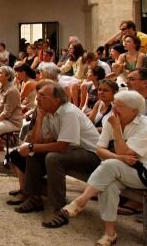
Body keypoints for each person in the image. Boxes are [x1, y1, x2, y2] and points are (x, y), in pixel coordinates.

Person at [59, 90, 147, 246]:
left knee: (109, 166)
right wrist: (120, 158)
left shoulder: (146, 126)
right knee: (109, 185)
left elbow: (123, 152)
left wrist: (116, 132)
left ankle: (82, 200)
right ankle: (110, 233)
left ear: (134, 111)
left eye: (120, 106)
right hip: (121, 170)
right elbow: (99, 150)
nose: (115, 109)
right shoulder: (113, 120)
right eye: (114, 105)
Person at [13, 83, 101, 227]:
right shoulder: (49, 113)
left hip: (92, 155)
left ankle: (58, 209)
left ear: (56, 100)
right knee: (34, 153)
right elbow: (38, 141)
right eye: (38, 95)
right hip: (73, 151)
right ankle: (35, 198)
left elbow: (61, 146)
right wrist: (40, 120)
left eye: (43, 96)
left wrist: (31, 146)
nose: (38, 98)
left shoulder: (69, 112)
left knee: (53, 158)